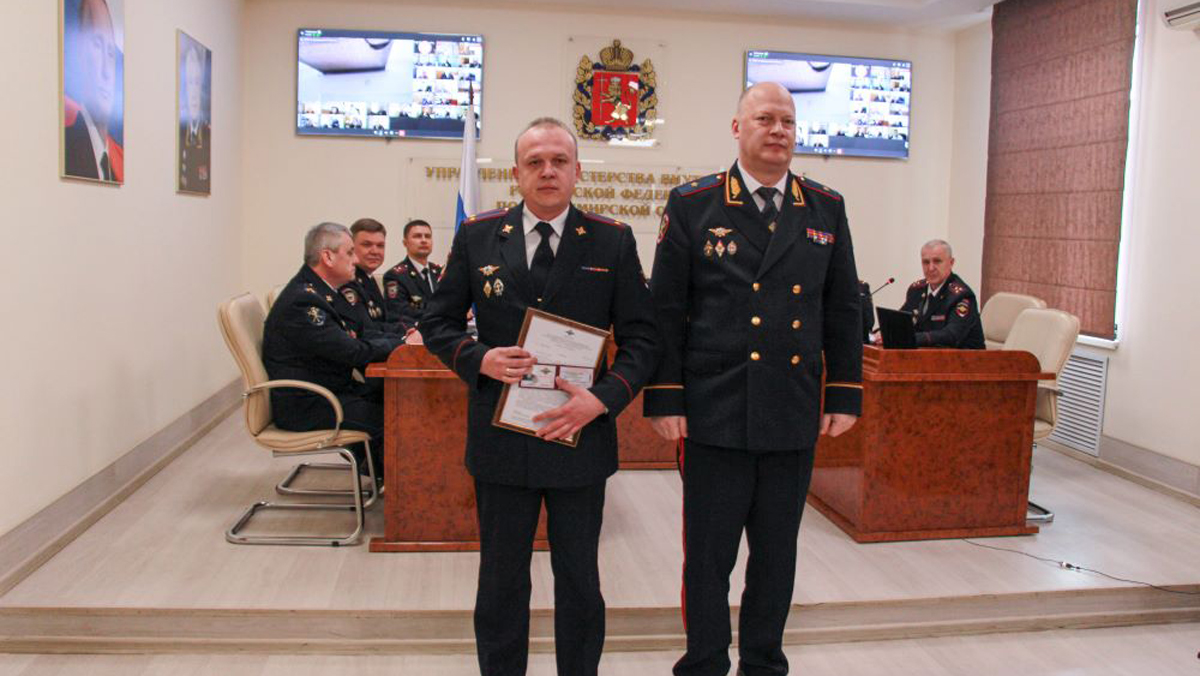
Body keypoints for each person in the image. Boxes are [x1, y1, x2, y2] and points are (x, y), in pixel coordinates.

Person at [421, 117, 659, 676]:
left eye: (559, 161)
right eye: (535, 162)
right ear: (516, 173)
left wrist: (602, 399)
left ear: (577, 171)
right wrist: (479, 359)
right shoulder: (479, 235)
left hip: (581, 437)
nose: (547, 171)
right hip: (502, 440)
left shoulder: (612, 239)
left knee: (580, 580)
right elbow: (437, 322)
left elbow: (644, 340)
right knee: (501, 581)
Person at [644, 82, 863, 676]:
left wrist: (844, 391)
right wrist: (665, 397)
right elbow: (666, 308)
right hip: (715, 408)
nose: (778, 130)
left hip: (791, 408)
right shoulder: (694, 203)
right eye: (765, 119)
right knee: (708, 558)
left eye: (787, 121)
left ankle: (764, 664)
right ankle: (705, 663)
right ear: (737, 128)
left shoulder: (825, 207)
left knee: (776, 555)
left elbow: (843, 306)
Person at [262, 222, 409, 480]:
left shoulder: (321, 291)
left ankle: (383, 472)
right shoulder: (304, 301)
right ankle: (400, 487)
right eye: (350, 252)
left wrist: (403, 338)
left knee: (399, 399)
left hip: (330, 390)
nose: (356, 259)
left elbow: (360, 332)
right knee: (396, 415)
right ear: (327, 257)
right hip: (309, 403)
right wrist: (403, 345)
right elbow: (352, 352)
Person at [63, 0, 123, 182]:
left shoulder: (118, 161)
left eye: (111, 53)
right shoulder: (68, 146)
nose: (106, 72)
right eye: (97, 45)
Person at [338, 218, 416, 340]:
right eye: (366, 245)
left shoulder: (368, 277)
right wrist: (405, 336)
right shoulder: (347, 281)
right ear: (351, 247)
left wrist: (412, 327)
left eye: (380, 246)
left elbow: (385, 319)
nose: (375, 251)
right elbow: (366, 330)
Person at [898, 239, 985, 349]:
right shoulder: (916, 290)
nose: (931, 268)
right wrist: (886, 333)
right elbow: (901, 321)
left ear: (951, 263)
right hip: (927, 354)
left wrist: (909, 338)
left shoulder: (961, 296)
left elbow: (951, 336)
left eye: (937, 261)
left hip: (964, 357)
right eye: (926, 262)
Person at [382, 219, 442, 327]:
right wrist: (442, 314)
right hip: (417, 330)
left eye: (428, 236)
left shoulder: (439, 272)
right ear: (405, 243)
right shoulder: (395, 276)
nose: (424, 240)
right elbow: (399, 312)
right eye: (417, 236)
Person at [178, 42, 211, 193]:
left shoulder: (207, 133)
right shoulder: (179, 133)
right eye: (189, 83)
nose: (193, 93)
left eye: (197, 82)